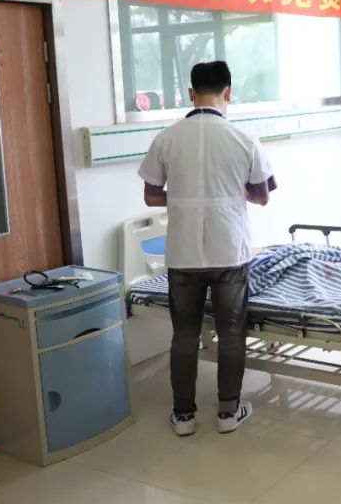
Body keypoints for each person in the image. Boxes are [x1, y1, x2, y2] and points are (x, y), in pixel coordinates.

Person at [138, 61, 276, 436]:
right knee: (231, 334)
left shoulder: (166, 138)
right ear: (228, 92)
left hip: (183, 254)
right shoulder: (244, 138)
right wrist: (227, 194)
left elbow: (151, 196)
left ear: (190, 93)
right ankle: (228, 413)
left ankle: (183, 416)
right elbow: (262, 196)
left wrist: (187, 197)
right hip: (229, 251)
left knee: (184, 335)